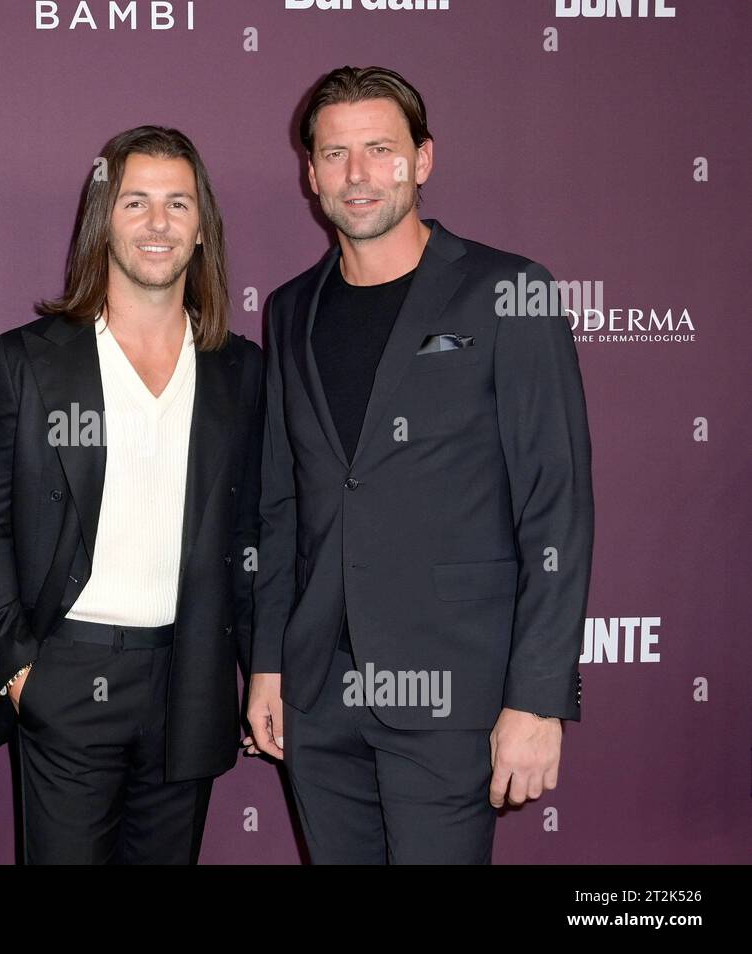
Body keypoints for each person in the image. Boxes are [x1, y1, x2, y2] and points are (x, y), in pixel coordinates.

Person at [245, 66, 593, 864]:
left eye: (379, 150)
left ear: (423, 160)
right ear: (310, 173)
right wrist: (268, 665)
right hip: (321, 693)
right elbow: (281, 506)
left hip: (452, 695)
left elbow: (556, 503)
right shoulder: (292, 309)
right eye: (335, 154)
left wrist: (537, 702)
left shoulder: (510, 292)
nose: (357, 175)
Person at [0, 126, 263, 864]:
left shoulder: (240, 371)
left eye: (178, 203)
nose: (158, 223)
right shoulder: (24, 363)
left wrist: (265, 667)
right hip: (66, 676)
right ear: (104, 220)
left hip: (189, 678)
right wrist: (18, 668)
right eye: (136, 202)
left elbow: (263, 531)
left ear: (204, 231)